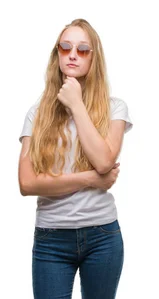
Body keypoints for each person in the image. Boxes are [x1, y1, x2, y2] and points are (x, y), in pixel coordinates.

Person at [18, 18, 132, 299]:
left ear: (95, 57)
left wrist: (76, 104)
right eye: (66, 47)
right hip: (51, 238)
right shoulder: (37, 113)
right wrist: (90, 178)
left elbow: (104, 161)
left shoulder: (115, 107)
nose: (72, 54)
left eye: (83, 49)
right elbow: (27, 183)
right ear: (56, 53)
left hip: (102, 236)